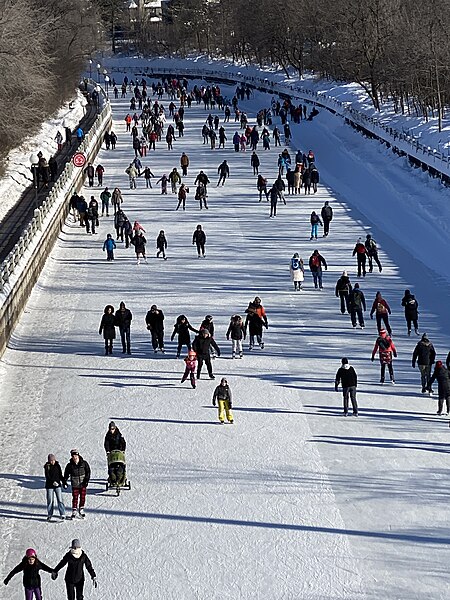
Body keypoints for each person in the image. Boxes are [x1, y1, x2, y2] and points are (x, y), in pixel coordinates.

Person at [63, 450, 91, 519]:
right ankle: (74, 510)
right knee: (75, 497)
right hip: (75, 484)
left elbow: (88, 472)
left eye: (75, 456)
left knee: (82, 497)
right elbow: (66, 474)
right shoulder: (70, 465)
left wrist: (86, 480)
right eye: (73, 456)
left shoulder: (84, 463)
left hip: (82, 483)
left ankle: (81, 509)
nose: (74, 457)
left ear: (78, 456)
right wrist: (64, 482)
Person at [44, 454, 66, 521]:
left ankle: (62, 514)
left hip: (57, 486)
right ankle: (50, 514)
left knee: (60, 500)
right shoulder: (47, 467)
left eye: (53, 460)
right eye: (51, 460)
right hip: (49, 486)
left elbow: (60, 475)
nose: (52, 462)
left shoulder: (57, 465)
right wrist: (52, 482)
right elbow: (47, 476)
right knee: (50, 500)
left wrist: (64, 482)